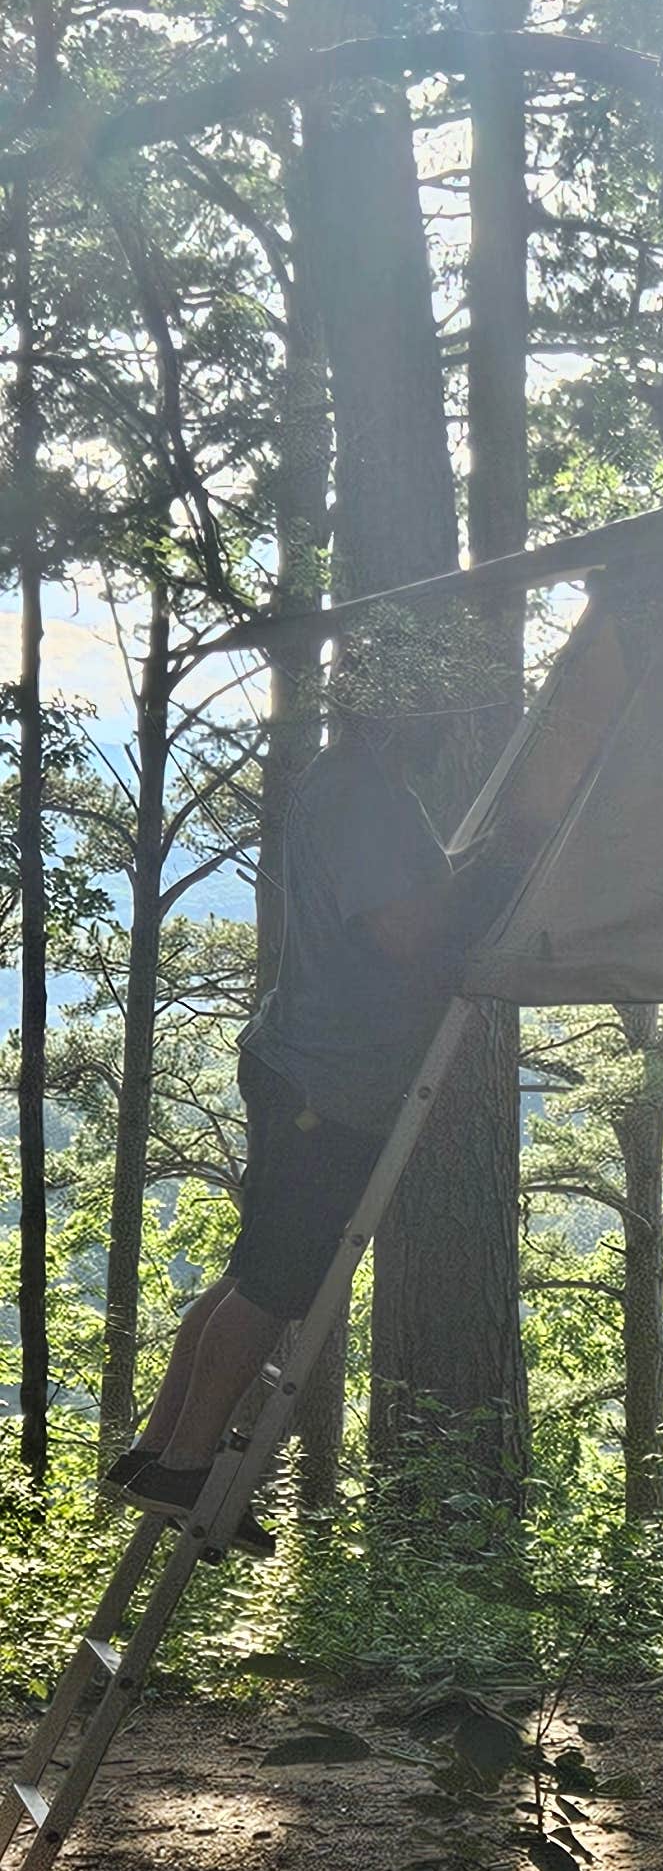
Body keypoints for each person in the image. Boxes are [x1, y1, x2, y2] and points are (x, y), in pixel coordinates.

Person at [110, 659, 501, 1541]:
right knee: (282, 1279)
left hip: (308, 1066)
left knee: (256, 1268)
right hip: (329, 1078)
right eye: (443, 700)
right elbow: (400, 930)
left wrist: (464, 869)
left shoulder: (362, 784)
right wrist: (486, 881)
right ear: (402, 709)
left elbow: (405, 898)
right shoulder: (363, 793)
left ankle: (162, 1449)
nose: (452, 721)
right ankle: (184, 1468)